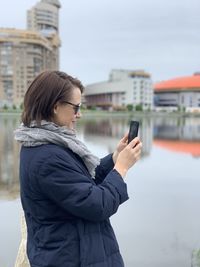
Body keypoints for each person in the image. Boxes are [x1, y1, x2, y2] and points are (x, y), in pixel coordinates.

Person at [14, 70, 142, 267]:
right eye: (76, 108)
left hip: (75, 252)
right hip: (71, 257)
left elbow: (82, 183)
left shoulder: (48, 144)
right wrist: (121, 169)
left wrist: (116, 158)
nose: (79, 114)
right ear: (56, 106)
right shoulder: (47, 156)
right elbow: (97, 204)